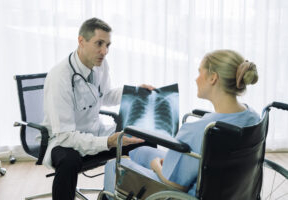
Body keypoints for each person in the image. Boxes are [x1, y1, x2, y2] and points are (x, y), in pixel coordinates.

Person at [103, 49, 261, 197]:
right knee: (141, 151)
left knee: (114, 165)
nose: (196, 78)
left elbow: (175, 184)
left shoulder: (199, 129)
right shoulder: (252, 117)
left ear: (213, 78)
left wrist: (156, 165)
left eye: (200, 72)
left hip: (184, 194)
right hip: (228, 189)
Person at [42, 18, 154, 200]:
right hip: (63, 140)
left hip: (95, 133)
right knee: (69, 161)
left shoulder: (100, 65)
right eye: (99, 44)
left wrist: (134, 92)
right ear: (81, 41)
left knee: (143, 140)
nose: (105, 51)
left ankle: (133, 195)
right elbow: (65, 135)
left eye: (108, 45)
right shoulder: (60, 77)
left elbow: (106, 95)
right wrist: (108, 142)